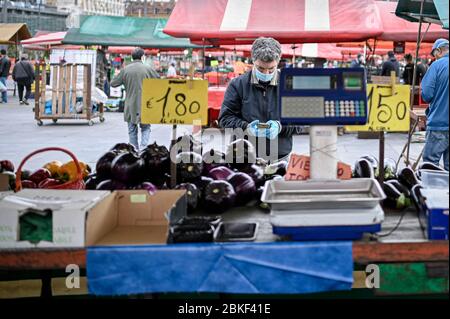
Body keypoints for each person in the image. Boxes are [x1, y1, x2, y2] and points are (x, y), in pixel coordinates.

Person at [219, 37, 300, 161]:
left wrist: (280, 127)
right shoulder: (237, 85)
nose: (266, 73)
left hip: (280, 157)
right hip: (244, 157)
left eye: (271, 69)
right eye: (261, 69)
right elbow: (225, 118)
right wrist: (246, 127)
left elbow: (299, 120)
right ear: (253, 61)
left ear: (277, 63)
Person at [111, 48, 160, 152]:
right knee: (146, 128)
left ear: (132, 57)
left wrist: (122, 77)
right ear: (142, 57)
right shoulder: (148, 69)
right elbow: (159, 81)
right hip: (145, 104)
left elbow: (113, 83)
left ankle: (133, 150)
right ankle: (143, 149)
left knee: (132, 129)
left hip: (130, 105)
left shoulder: (125, 70)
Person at [421, 38, 449, 171]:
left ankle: (432, 192)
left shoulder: (436, 66)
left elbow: (427, 95)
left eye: (434, 54)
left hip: (439, 124)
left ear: (438, 51)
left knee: (430, 167)